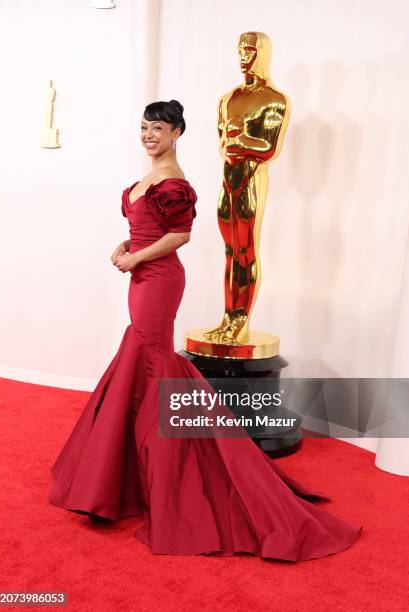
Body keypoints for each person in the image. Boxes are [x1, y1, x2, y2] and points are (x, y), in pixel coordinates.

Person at [49, 99, 363, 561]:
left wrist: (136, 257)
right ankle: (130, 475)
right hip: (141, 278)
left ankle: (173, 475)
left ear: (177, 133)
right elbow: (144, 228)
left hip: (158, 280)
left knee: (155, 362)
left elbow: (180, 236)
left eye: (157, 128)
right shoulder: (143, 183)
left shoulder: (176, 184)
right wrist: (126, 245)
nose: (149, 135)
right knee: (145, 360)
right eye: (143, 127)